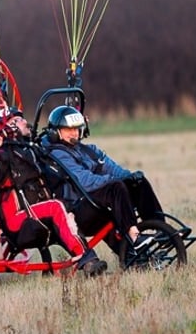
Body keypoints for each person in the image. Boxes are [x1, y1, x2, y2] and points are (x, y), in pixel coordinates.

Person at [0, 106, 108, 277]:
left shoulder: (29, 148)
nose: (24, 121)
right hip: (18, 221)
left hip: (35, 212)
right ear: (8, 128)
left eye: (21, 118)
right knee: (56, 207)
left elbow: (54, 142)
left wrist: (75, 123)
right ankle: (88, 261)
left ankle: (129, 252)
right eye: (17, 120)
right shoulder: (2, 154)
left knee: (82, 204)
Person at [42, 105, 164, 255]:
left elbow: (111, 167)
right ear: (56, 132)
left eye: (76, 129)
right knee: (116, 187)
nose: (74, 133)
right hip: (77, 209)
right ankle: (133, 235)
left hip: (95, 199)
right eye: (68, 130)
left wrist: (128, 176)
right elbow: (84, 181)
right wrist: (112, 180)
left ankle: (161, 229)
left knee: (138, 182)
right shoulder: (57, 155)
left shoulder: (88, 149)